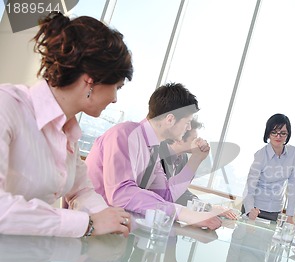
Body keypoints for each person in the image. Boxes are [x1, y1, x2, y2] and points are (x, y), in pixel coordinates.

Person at [0, 11, 133, 237]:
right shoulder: (7, 106)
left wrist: (111, 219)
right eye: (117, 87)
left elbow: (81, 190)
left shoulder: (67, 131)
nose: (115, 99)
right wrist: (88, 224)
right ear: (91, 79)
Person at [86, 83, 235, 230]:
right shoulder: (124, 135)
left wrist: (196, 159)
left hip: (117, 228)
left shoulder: (153, 149)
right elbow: (121, 193)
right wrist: (186, 214)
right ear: (170, 119)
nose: (189, 128)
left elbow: (166, 196)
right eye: (187, 122)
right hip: (91, 227)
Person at [242, 114, 295, 223]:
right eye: (274, 132)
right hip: (255, 209)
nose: (278, 137)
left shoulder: (292, 153)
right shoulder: (261, 155)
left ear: (288, 135)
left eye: (283, 133)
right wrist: (250, 211)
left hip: (275, 211)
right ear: (268, 133)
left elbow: (293, 185)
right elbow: (249, 187)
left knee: (268, 239)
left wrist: (290, 215)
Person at [159, 117, 204, 206]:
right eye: (194, 139)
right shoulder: (158, 153)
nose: (198, 143)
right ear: (179, 139)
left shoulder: (183, 158)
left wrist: (198, 203)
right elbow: (164, 193)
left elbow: (180, 190)